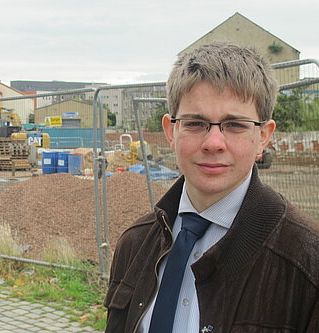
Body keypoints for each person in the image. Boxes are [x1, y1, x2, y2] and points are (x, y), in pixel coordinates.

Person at [104, 42, 318, 333]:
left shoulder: (306, 260)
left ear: (264, 136)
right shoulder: (136, 244)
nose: (213, 143)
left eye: (235, 125)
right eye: (195, 123)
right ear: (171, 131)